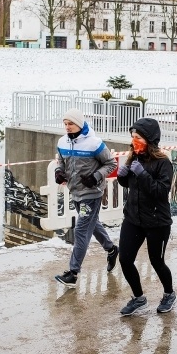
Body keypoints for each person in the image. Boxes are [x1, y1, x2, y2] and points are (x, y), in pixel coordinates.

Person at [115, 118, 176, 316]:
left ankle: (169, 294)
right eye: (133, 137)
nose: (134, 141)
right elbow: (129, 184)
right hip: (133, 218)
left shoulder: (163, 162)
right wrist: (122, 176)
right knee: (124, 259)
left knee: (156, 261)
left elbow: (160, 191)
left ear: (149, 139)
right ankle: (138, 298)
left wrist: (142, 174)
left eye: (138, 137)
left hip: (157, 221)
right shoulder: (134, 157)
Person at [54, 108, 119, 286]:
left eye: (71, 124)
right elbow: (60, 160)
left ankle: (73, 273)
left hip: (92, 193)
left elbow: (111, 163)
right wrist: (59, 172)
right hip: (75, 191)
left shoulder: (94, 143)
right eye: (65, 124)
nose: (67, 127)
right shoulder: (62, 142)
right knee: (92, 223)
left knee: (81, 230)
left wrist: (95, 177)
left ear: (80, 124)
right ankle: (111, 249)